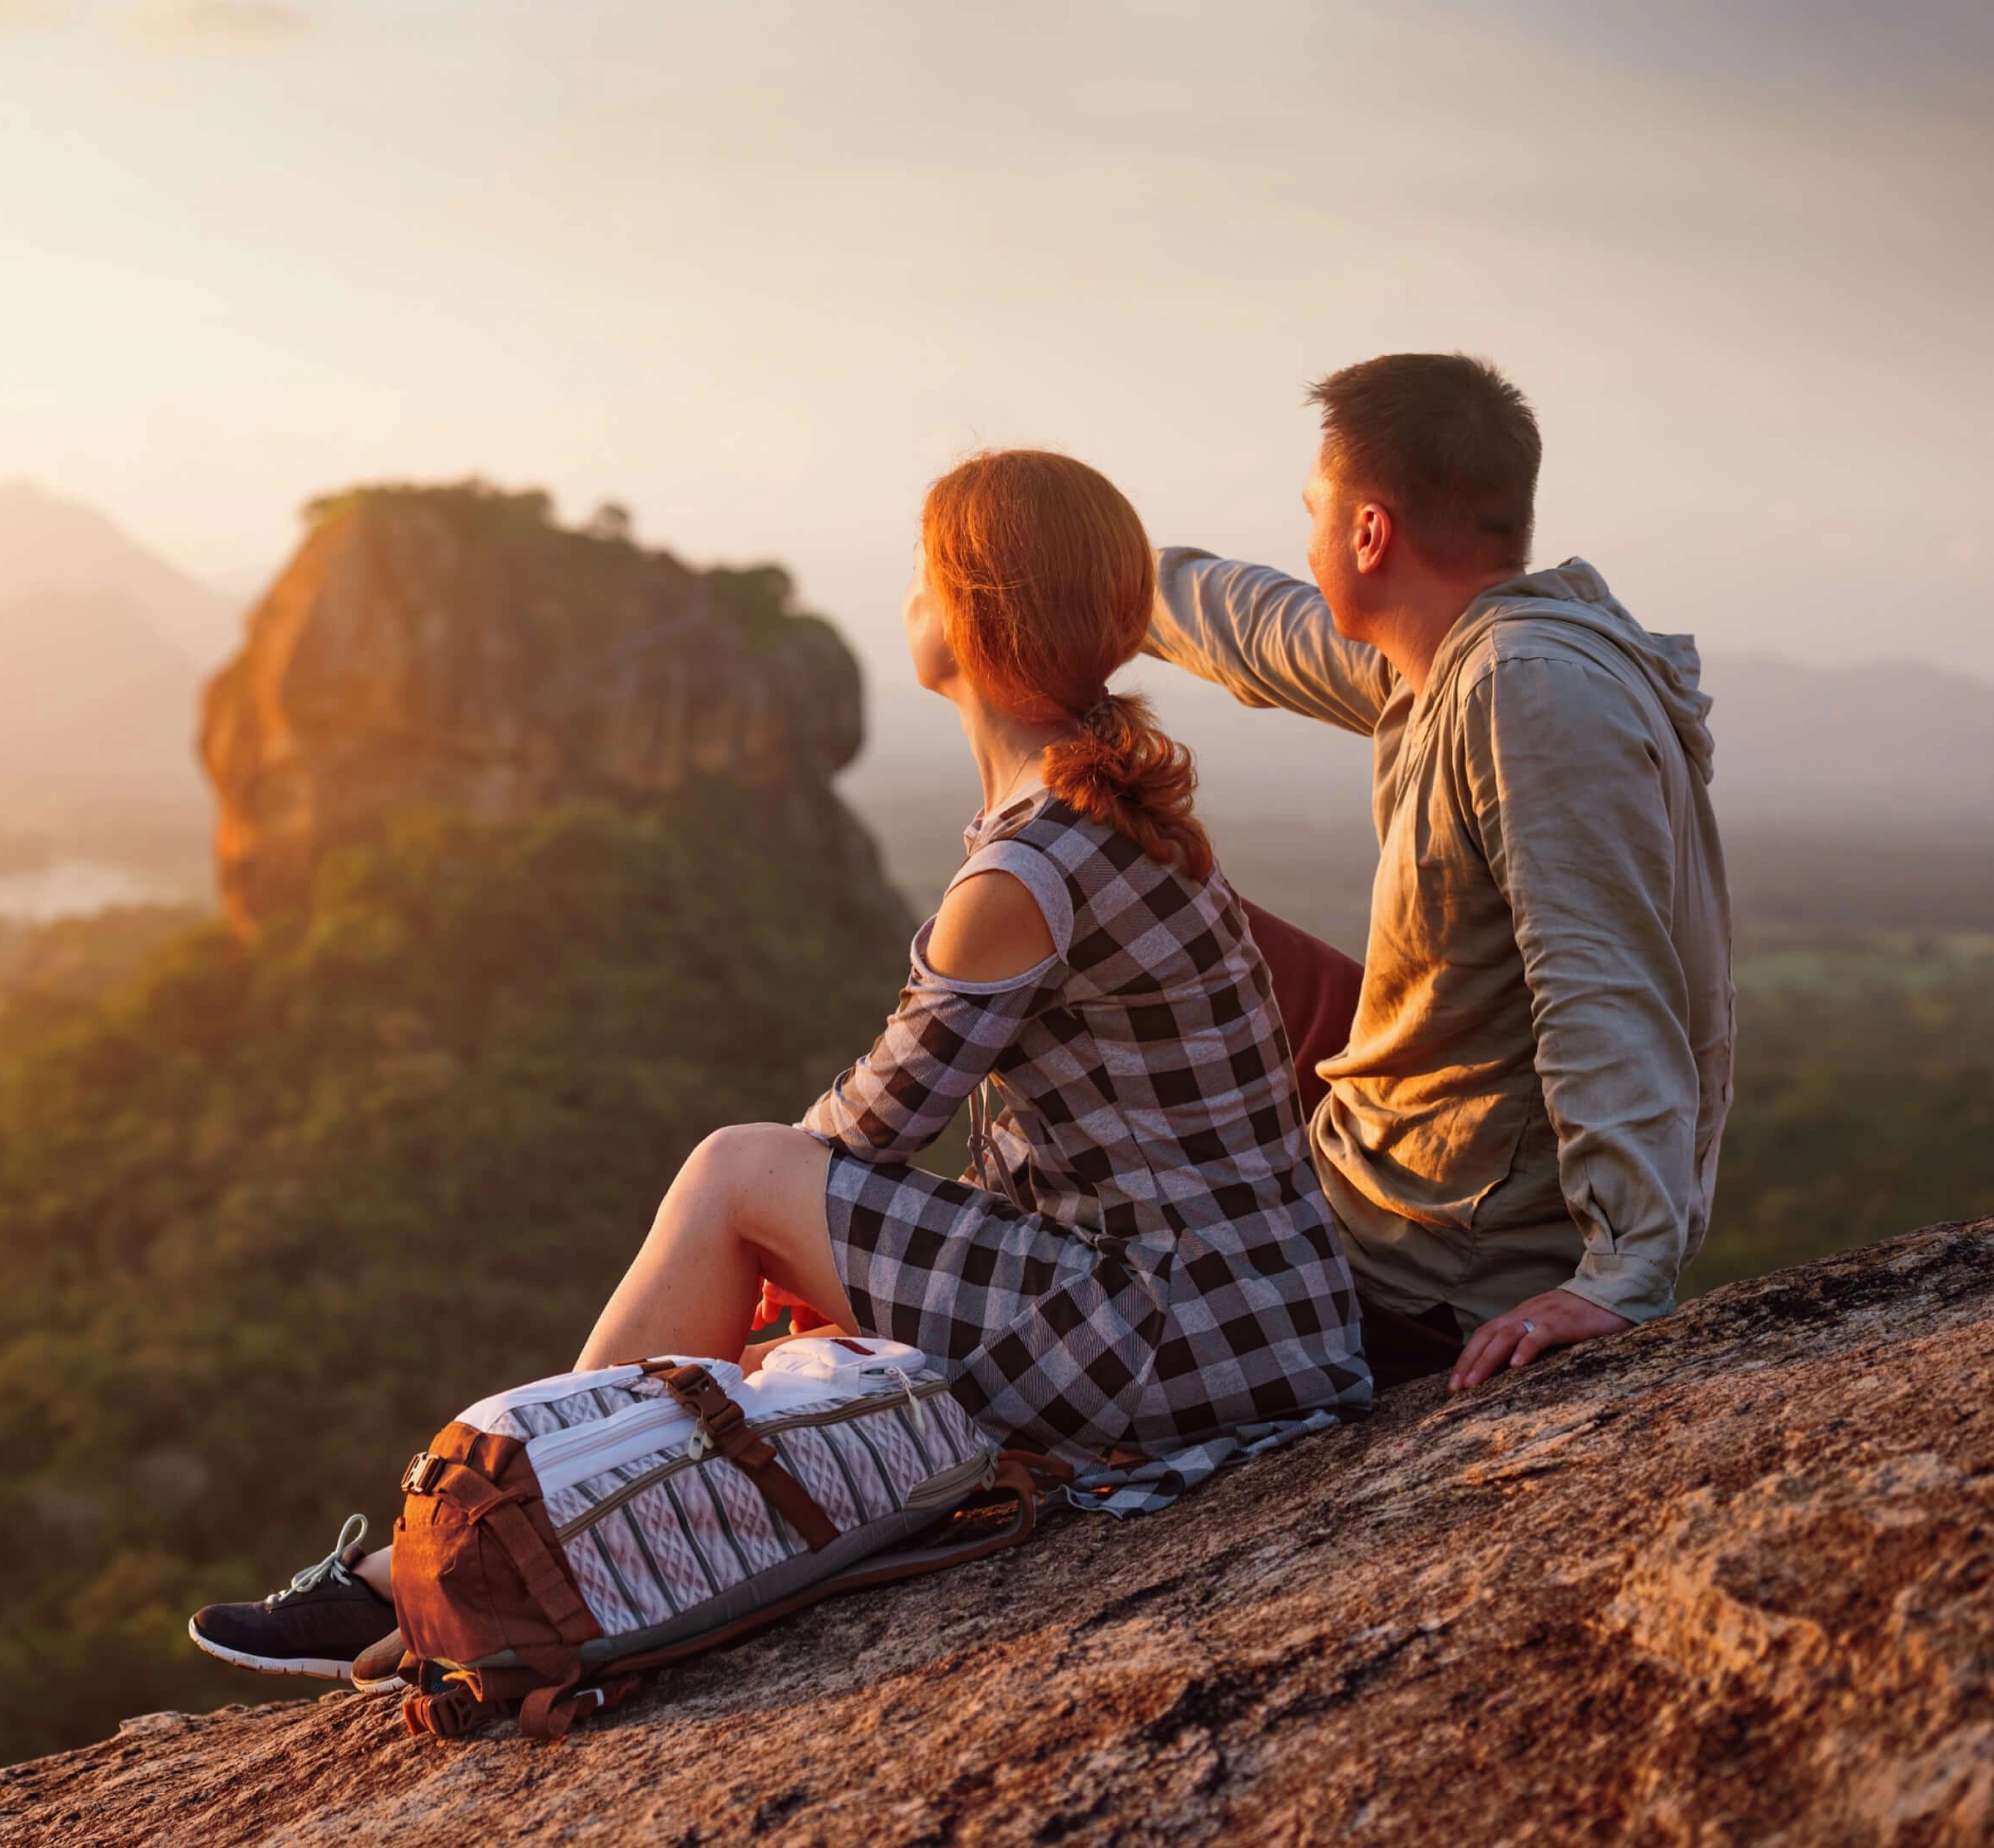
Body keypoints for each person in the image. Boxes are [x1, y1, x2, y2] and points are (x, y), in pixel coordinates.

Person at [186, 450, 1372, 1685]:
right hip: (1253, 1322)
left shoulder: (1028, 873)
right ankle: (464, 1559)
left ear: (963, 619)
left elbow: (862, 1131)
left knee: (732, 1172)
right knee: (771, 1320)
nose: (905, 600)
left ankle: (509, 1527)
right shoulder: (1117, 815)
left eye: (921, 579)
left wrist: (776, 1240)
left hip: (1175, 1337)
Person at [1145, 353, 1733, 1394]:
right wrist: (1093, 569)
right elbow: (1259, 626)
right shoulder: (1462, 654)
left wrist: (1627, 1269)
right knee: (1162, 907)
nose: (1308, 538)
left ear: (1368, 533)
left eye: (1315, 513)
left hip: (1439, 1258)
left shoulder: (1529, 692)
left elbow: (1603, 983)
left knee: (1099, 910)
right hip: (1411, 1141)